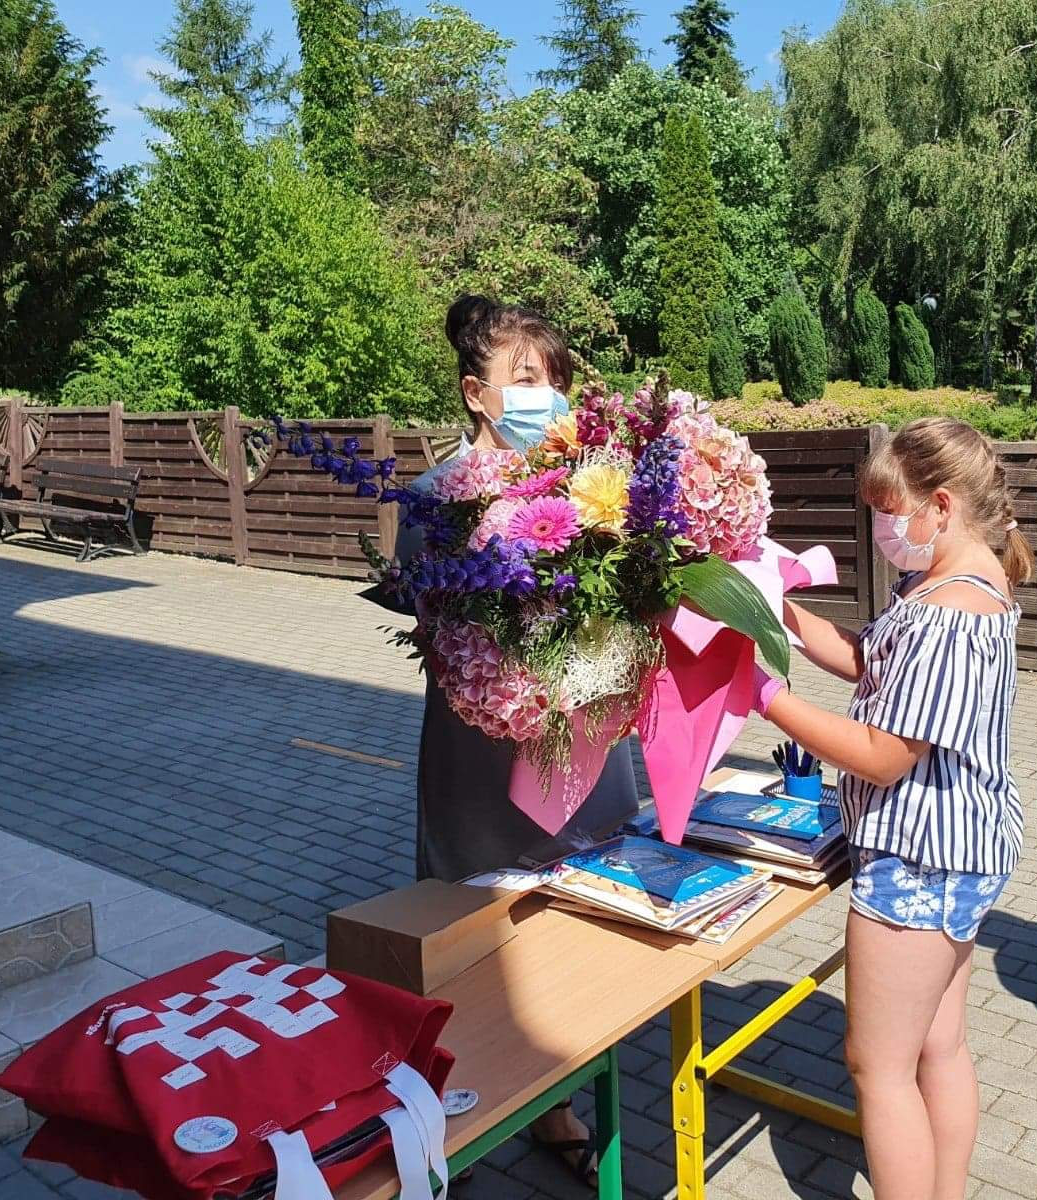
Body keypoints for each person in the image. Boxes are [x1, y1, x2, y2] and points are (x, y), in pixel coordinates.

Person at [748, 417, 1030, 1200]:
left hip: (920, 862)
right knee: (938, 1046)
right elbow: (867, 657)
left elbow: (880, 753)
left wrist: (765, 697)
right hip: (956, 853)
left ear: (941, 505)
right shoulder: (947, 584)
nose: (880, 528)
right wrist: (772, 613)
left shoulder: (950, 615)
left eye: (887, 510)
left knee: (879, 1068)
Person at [397, 294, 640, 1184]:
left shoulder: (589, 486)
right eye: (528, 381)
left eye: (556, 381)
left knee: (583, 930)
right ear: (476, 392)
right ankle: (459, 1107)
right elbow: (431, 624)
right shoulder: (434, 498)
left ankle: (566, 1100)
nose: (549, 398)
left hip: (583, 751)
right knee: (473, 938)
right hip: (480, 757)